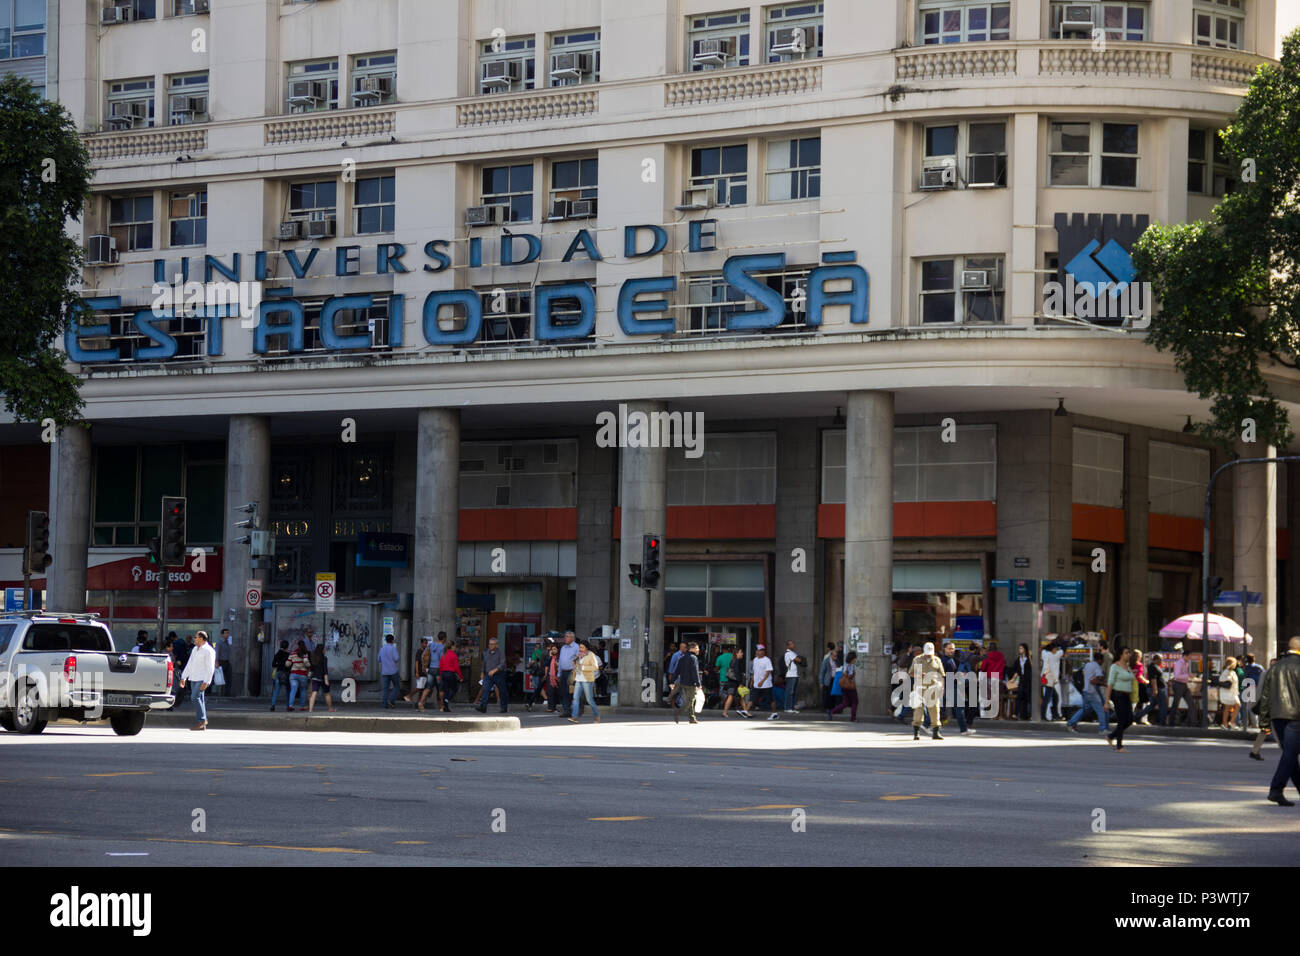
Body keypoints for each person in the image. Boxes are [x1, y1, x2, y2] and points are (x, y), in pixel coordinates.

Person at [1256, 636, 1300, 806]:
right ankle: (1276, 789)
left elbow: (1265, 697)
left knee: (1290, 754)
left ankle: (1278, 791)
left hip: (1277, 717)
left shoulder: (1275, 668)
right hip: (1295, 717)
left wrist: (1265, 722)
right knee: (1290, 754)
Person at [178, 630, 216, 731]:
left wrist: (207, 681)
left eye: (196, 637)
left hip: (202, 679)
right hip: (193, 678)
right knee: (200, 699)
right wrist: (183, 677)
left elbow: (210, 667)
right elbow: (190, 664)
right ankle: (202, 724)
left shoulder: (209, 650)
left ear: (201, 639)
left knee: (194, 697)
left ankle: (202, 720)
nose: (194, 639)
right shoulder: (195, 649)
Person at [1067, 651, 1110, 736]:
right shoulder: (1097, 666)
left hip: (1085, 691)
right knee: (1100, 709)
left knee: (1085, 709)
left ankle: (1071, 723)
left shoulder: (1088, 664)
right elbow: (1093, 680)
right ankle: (1102, 729)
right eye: (1102, 661)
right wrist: (1104, 684)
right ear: (1100, 660)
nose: (1102, 662)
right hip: (1092, 692)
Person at [910, 642, 945, 740]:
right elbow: (911, 673)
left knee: (935, 709)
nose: (929, 655)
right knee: (918, 709)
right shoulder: (917, 659)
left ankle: (936, 732)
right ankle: (916, 732)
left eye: (930, 653)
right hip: (920, 687)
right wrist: (919, 674)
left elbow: (942, 675)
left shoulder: (937, 660)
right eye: (927, 653)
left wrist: (942, 687)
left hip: (933, 687)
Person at [1105, 648, 1136, 751]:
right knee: (1122, 720)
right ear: (1121, 655)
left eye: (1129, 653)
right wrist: (1107, 701)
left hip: (1127, 696)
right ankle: (1119, 746)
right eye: (1126, 653)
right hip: (1118, 695)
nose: (1129, 655)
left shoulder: (1127, 667)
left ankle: (1111, 736)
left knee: (1130, 719)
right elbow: (1110, 684)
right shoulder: (1115, 667)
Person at [939, 642, 972, 734]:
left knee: (941, 707)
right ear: (944, 649)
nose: (951, 650)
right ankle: (964, 729)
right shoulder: (944, 660)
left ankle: (927, 724)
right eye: (949, 648)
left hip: (951, 685)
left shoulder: (951, 659)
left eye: (953, 649)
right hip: (948, 686)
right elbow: (943, 675)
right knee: (958, 707)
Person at [568, 637, 603, 723]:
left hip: (587, 680)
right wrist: (575, 664)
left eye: (582, 647)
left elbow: (595, 667)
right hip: (579, 679)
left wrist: (583, 667)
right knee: (575, 698)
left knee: (589, 700)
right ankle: (575, 717)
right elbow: (577, 666)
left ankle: (596, 715)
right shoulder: (579, 655)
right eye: (580, 647)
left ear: (586, 647)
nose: (580, 649)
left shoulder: (591, 655)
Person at [475, 636, 509, 713]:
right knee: (485, 689)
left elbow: (502, 664)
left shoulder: (501, 652)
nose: (490, 645)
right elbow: (483, 663)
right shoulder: (485, 653)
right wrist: (482, 673)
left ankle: (504, 707)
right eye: (490, 644)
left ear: (496, 645)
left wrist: (495, 670)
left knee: (502, 691)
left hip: (499, 674)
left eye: (492, 644)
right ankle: (483, 707)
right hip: (488, 675)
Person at [1167, 646, 1198, 726]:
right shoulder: (1179, 663)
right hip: (1178, 684)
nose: (1190, 658)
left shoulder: (1185, 663)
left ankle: (1193, 722)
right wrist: (1188, 676)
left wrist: (1188, 677)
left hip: (1183, 684)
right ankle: (1171, 722)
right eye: (1189, 657)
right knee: (1176, 703)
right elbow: (1177, 676)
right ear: (1185, 656)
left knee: (1191, 703)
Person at [1135, 652, 1167, 725]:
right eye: (1160, 660)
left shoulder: (1154, 666)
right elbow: (1153, 679)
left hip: (1156, 688)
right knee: (1162, 705)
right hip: (1157, 689)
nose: (1161, 662)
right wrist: (1155, 690)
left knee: (1151, 705)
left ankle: (1137, 716)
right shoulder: (1153, 667)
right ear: (1156, 659)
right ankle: (1162, 722)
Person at [721, 646, 752, 718]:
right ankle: (725, 712)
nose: (742, 654)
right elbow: (737, 673)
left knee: (741, 696)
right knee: (732, 696)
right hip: (735, 682)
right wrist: (741, 683)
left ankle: (745, 712)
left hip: (732, 682)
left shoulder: (733, 660)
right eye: (741, 652)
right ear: (737, 653)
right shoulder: (737, 661)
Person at [556, 631, 580, 718]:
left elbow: (579, 660)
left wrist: (576, 673)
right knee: (564, 692)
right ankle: (566, 711)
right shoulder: (563, 648)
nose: (565, 638)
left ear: (572, 638)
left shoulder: (576, 647)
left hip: (572, 672)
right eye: (565, 636)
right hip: (563, 672)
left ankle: (577, 709)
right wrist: (559, 674)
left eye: (567, 637)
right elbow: (561, 661)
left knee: (572, 692)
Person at [307, 643, 336, 713]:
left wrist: (310, 677)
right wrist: (326, 680)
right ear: (322, 650)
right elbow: (325, 670)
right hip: (322, 678)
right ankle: (330, 709)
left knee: (314, 693)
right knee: (327, 693)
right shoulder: (324, 658)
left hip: (314, 677)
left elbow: (311, 669)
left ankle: (310, 710)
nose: (325, 650)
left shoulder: (313, 658)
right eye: (324, 649)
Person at [830, 651, 859, 721]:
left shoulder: (845, 664)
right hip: (850, 686)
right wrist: (853, 675)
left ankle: (833, 711)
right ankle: (853, 718)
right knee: (855, 701)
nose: (856, 659)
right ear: (853, 658)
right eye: (855, 658)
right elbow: (849, 676)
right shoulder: (851, 665)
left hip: (844, 686)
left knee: (846, 703)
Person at [751, 645, 778, 720]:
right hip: (756, 684)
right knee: (752, 698)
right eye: (758, 650)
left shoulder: (767, 660)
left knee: (770, 699)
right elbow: (754, 671)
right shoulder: (755, 660)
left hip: (766, 684)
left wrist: (762, 681)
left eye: (761, 650)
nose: (760, 651)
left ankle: (775, 713)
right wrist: (752, 681)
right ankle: (746, 711)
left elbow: (768, 671)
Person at [1008, 643, 1032, 720]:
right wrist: (1013, 679)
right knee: (1020, 696)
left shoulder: (1029, 658)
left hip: (1029, 680)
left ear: (1025, 649)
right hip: (1021, 680)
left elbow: (1033, 666)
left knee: (1028, 698)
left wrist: (1030, 657)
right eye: (1019, 648)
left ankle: (1029, 714)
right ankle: (1016, 714)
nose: (1020, 650)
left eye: (1021, 648)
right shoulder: (1018, 659)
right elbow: (1017, 671)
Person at [1041, 642, 1064, 721]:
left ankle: (1053, 715)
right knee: (1047, 699)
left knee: (1054, 697)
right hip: (1050, 679)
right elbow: (1062, 651)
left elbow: (1043, 649)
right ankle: (1044, 716)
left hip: (1045, 678)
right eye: (1056, 649)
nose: (1057, 650)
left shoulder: (1044, 654)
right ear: (1053, 649)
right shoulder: (1054, 656)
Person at [285, 639, 310, 711]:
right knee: (303, 690)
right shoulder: (304, 653)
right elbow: (306, 662)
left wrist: (289, 663)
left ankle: (290, 705)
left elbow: (288, 664)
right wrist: (309, 665)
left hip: (293, 674)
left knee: (293, 690)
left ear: (298, 645)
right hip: (302, 674)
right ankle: (302, 706)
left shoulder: (292, 653)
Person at [438, 637, 462, 711]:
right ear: (452, 647)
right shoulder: (453, 655)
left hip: (444, 674)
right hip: (450, 674)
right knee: (454, 688)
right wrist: (460, 676)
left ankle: (446, 706)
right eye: (454, 646)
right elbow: (457, 667)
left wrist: (440, 676)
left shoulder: (444, 655)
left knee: (446, 690)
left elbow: (440, 666)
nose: (455, 648)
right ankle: (447, 700)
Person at [1217, 656, 1241, 728]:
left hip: (1232, 693)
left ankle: (1226, 723)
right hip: (1228, 693)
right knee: (1237, 705)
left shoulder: (1231, 672)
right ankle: (1230, 722)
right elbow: (1224, 681)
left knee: (1227, 708)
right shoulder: (1227, 672)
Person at [1241, 654, 1263, 731]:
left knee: (1248, 706)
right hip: (1258, 687)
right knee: (1257, 705)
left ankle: (1247, 723)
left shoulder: (1246, 668)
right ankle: (1255, 723)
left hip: (1248, 687)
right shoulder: (1259, 667)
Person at [379, 634, 400, 709]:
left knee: (385, 688)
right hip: (393, 671)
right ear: (392, 640)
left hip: (384, 671)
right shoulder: (393, 649)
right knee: (397, 686)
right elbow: (396, 659)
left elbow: (379, 659)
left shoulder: (382, 648)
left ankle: (384, 704)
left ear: (386, 640)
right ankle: (391, 700)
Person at [269, 639, 290, 710]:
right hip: (287, 673)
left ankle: (273, 705)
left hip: (279, 673)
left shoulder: (277, 654)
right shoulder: (288, 655)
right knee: (288, 690)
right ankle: (288, 706)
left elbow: (273, 664)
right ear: (287, 647)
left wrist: (278, 665)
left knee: (276, 690)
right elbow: (290, 665)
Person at [783, 641, 802, 713]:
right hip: (790, 675)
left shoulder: (793, 653)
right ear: (788, 646)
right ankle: (787, 708)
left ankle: (792, 707)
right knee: (790, 692)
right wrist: (799, 659)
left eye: (793, 644)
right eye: (791, 644)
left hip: (795, 674)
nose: (793, 645)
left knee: (793, 692)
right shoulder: (789, 653)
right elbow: (798, 660)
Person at [819, 642, 837, 715]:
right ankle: (828, 708)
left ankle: (833, 708)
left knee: (834, 694)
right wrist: (821, 682)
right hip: (828, 680)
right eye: (834, 656)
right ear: (831, 655)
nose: (836, 658)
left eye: (836, 656)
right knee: (828, 695)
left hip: (835, 679)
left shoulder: (837, 661)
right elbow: (822, 672)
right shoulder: (826, 661)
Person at [216, 628, 233, 696]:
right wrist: (216, 662)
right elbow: (217, 652)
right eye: (226, 633)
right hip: (221, 662)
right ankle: (221, 693)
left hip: (227, 662)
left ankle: (227, 693)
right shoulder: (219, 642)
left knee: (229, 678)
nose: (227, 634)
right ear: (222, 634)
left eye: (228, 633)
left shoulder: (228, 642)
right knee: (221, 678)